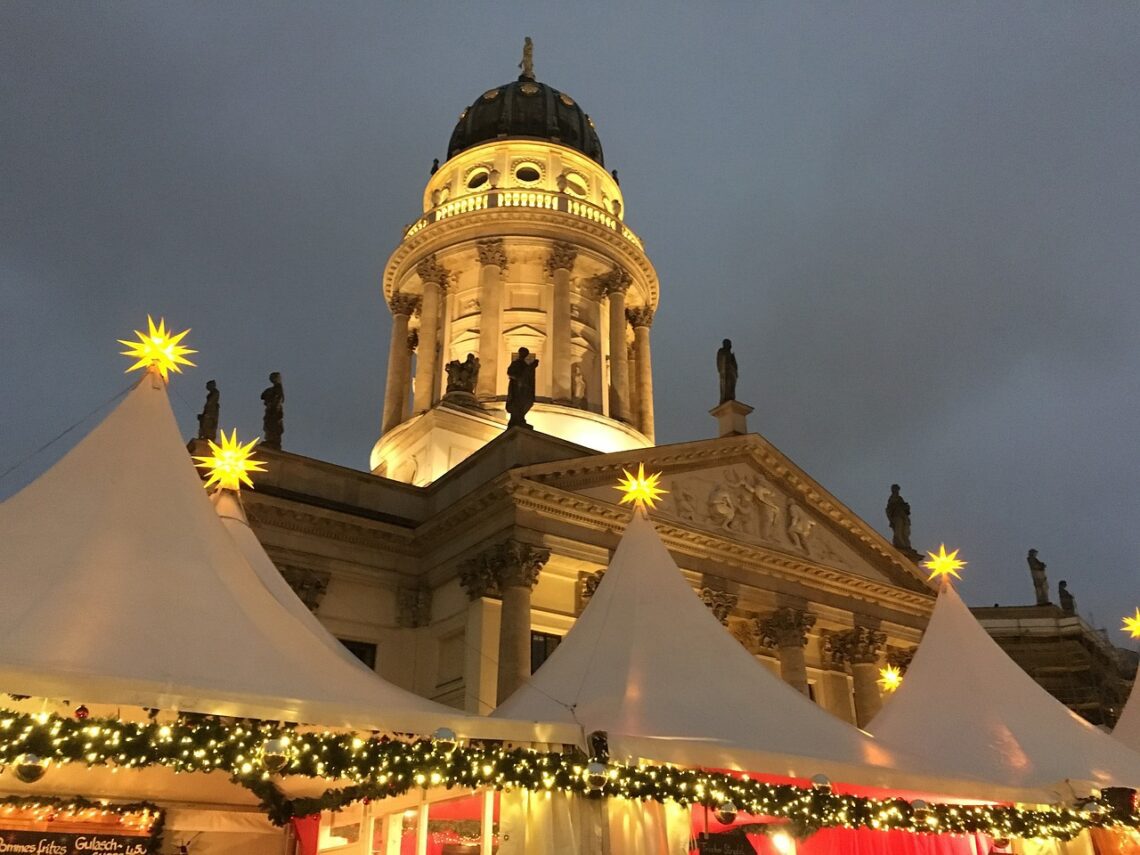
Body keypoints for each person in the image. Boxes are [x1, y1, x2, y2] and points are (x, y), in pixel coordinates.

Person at [505, 347, 538, 428]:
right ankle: (515, 419)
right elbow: (510, 372)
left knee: (523, 402)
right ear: (520, 353)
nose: (523, 355)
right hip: (516, 388)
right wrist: (518, 378)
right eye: (522, 353)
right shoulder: (515, 363)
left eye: (525, 354)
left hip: (523, 389)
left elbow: (527, 375)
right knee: (516, 403)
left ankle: (520, 418)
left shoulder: (525, 365)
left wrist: (532, 367)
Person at [885, 484, 914, 552]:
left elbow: (905, 508)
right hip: (897, 517)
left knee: (905, 532)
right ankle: (901, 545)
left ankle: (905, 545)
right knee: (898, 532)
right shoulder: (892, 498)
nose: (896, 491)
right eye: (895, 489)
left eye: (897, 489)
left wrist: (905, 507)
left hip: (903, 517)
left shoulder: (900, 498)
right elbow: (889, 509)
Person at [261, 372, 284, 449]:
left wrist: (274, 405)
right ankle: (271, 440)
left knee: (273, 425)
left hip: (274, 412)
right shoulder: (274, 389)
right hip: (272, 411)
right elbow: (263, 396)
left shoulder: (277, 389)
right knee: (270, 425)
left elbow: (279, 399)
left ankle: (273, 441)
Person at [716, 339, 738, 404]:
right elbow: (719, 362)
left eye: (729, 343)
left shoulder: (731, 354)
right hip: (725, 372)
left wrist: (734, 371)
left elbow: (735, 366)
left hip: (731, 372)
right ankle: (725, 398)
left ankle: (731, 397)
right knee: (725, 385)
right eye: (727, 343)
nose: (728, 344)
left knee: (731, 386)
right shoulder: (721, 351)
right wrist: (722, 370)